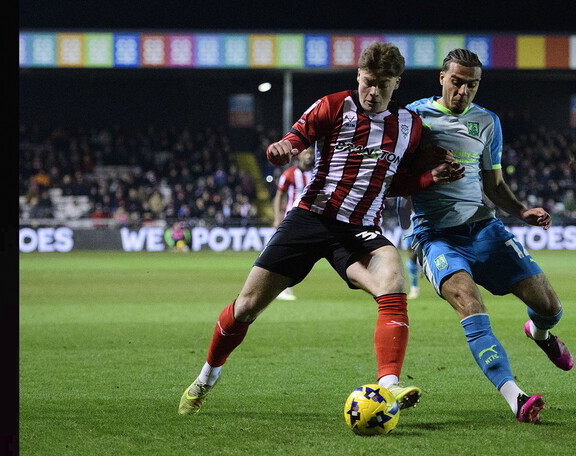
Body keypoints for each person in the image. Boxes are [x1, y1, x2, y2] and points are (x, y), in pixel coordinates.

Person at [178, 42, 464, 416]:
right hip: (310, 219)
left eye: (382, 85)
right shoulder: (333, 106)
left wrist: (428, 178)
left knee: (392, 280)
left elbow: (391, 183)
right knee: (246, 306)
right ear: (358, 76)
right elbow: (294, 139)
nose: (372, 92)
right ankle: (206, 378)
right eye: (367, 82)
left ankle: (389, 385)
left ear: (397, 83)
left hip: (359, 229)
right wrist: (282, 148)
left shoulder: (409, 127)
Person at [404, 48, 574, 424]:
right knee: (470, 304)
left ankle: (540, 334)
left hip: (484, 228)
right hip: (435, 236)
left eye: (472, 84)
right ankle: (517, 398)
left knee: (550, 307)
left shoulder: (488, 122)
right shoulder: (413, 117)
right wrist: (426, 172)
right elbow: (393, 175)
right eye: (457, 82)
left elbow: (494, 184)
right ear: (442, 78)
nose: (463, 91)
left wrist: (521, 211)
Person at [271, 146, 315, 301]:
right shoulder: (289, 174)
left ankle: (284, 285)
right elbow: (279, 196)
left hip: (311, 220)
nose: (309, 156)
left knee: (303, 256)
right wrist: (277, 216)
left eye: (311, 153)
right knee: (286, 253)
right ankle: (281, 287)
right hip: (292, 219)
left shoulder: (317, 173)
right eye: (306, 153)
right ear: (299, 156)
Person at [396, 196, 421, 299]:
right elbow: (402, 205)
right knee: (411, 253)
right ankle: (414, 287)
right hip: (410, 220)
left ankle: (424, 264)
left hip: (425, 215)